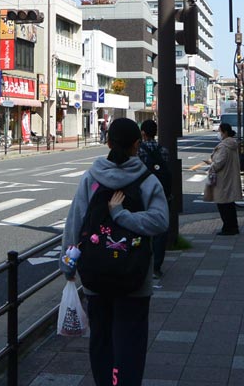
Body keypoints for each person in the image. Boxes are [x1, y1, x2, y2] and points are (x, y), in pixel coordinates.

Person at [60, 117, 168, 386]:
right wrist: (123, 216)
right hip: (135, 276)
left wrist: (68, 264)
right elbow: (160, 221)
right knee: (130, 343)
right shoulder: (147, 180)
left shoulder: (92, 177)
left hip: (96, 274)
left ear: (107, 142)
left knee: (102, 341)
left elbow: (74, 222)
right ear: (137, 145)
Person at [193, 122, 243, 234]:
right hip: (229, 176)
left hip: (223, 179)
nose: (218, 133)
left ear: (224, 132)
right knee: (229, 204)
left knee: (223, 204)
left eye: (220, 131)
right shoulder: (232, 144)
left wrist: (212, 165)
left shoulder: (224, 146)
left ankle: (228, 228)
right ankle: (233, 227)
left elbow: (219, 163)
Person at [137, 119, 171, 278]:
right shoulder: (163, 150)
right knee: (159, 231)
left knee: (141, 227)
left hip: (142, 193)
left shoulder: (139, 151)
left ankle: (141, 263)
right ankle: (157, 266)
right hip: (160, 192)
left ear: (143, 133)